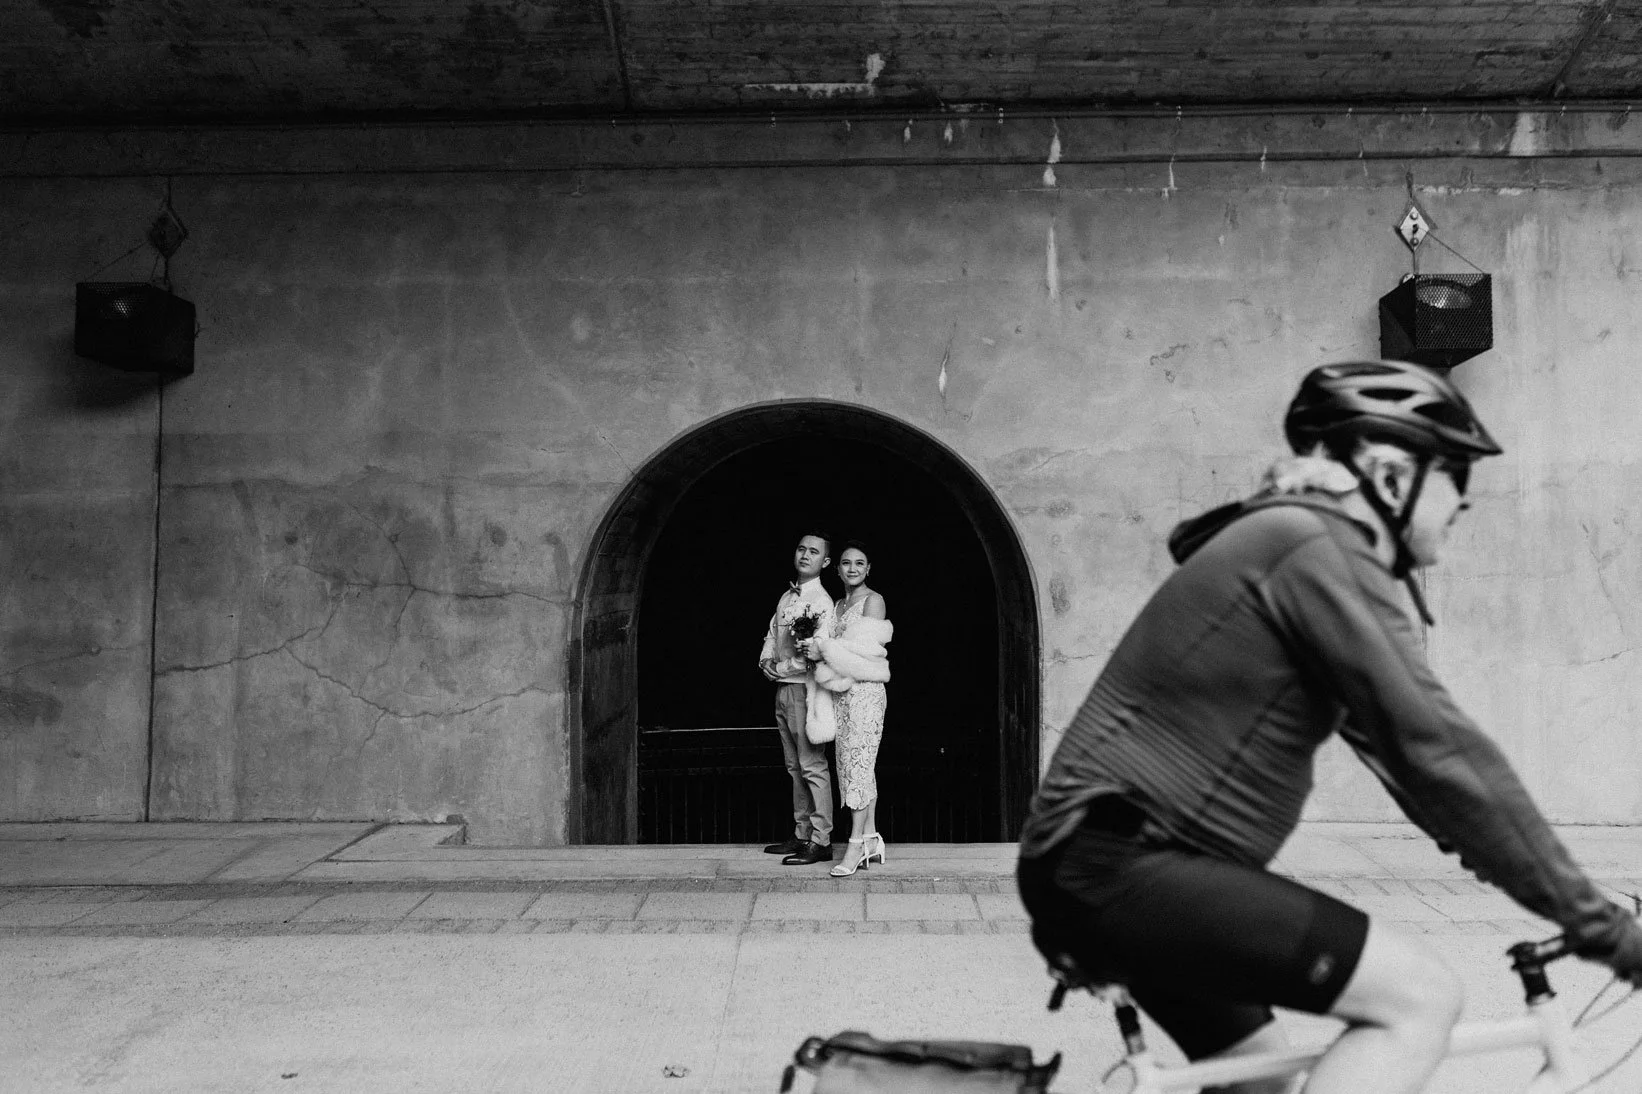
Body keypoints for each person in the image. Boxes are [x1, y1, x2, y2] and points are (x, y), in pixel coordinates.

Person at [1016, 360, 1642, 1094]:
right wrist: (1604, 930)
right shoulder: (1314, 546)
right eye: (1455, 475)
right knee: (1420, 999)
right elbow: (1440, 750)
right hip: (1128, 867)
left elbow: (1420, 774)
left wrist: (1530, 872)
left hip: (1108, 866)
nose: (1464, 503)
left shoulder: (1299, 545)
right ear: (1388, 472)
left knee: (1263, 1084)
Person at [803, 541, 892, 878]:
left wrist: (823, 649)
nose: (852, 568)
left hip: (865, 694)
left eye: (859, 563)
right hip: (840, 696)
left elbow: (862, 650)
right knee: (852, 766)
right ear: (837, 569)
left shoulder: (874, 600)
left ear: (868, 569)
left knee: (859, 764)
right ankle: (870, 837)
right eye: (846, 563)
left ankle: (854, 845)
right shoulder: (838, 604)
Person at [759, 531, 837, 866]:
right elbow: (773, 631)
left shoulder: (820, 601)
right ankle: (802, 832)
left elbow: (816, 652)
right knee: (794, 766)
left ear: (826, 561)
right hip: (783, 689)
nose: (806, 555)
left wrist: (783, 667)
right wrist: (766, 662)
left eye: (814, 552)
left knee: (812, 765)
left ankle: (821, 840)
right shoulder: (788, 595)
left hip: (804, 690)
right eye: (802, 549)